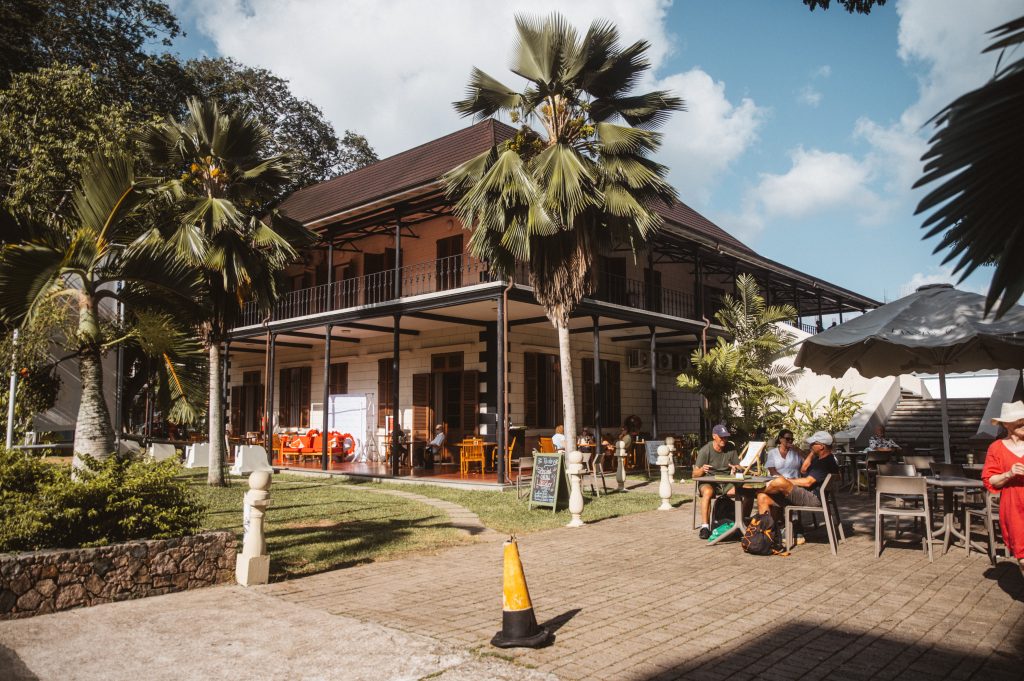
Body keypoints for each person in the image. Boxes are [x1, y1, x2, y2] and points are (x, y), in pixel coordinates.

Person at [756, 431, 840, 544]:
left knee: (780, 481)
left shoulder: (825, 462)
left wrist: (787, 481)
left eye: (813, 444)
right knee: (762, 497)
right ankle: (766, 537)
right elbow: (803, 470)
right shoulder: (820, 459)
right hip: (808, 494)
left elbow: (808, 482)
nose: (810, 445)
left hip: (813, 498)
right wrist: (812, 453)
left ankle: (753, 491)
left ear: (821, 446)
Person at [982, 401, 1024, 573]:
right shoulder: (996, 448)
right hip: (1013, 507)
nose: (1023, 423)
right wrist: (1009, 473)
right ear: (1006, 424)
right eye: (1019, 420)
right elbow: (991, 480)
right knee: (1022, 557)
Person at [693, 424, 741, 539]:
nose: (724, 439)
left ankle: (741, 523)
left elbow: (739, 466)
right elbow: (694, 474)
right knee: (708, 492)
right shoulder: (705, 450)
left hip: (726, 482)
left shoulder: (731, 448)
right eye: (721, 437)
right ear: (714, 436)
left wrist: (736, 468)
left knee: (743, 491)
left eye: (726, 437)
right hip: (709, 482)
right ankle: (705, 527)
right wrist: (702, 470)